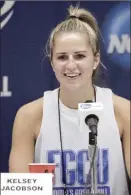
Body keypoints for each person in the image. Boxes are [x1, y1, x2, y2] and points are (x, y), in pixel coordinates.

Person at [9, 5, 130, 195]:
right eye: (62, 57)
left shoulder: (123, 111)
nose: (71, 65)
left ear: (95, 59)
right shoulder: (29, 116)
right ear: (52, 62)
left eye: (80, 56)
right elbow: (20, 192)